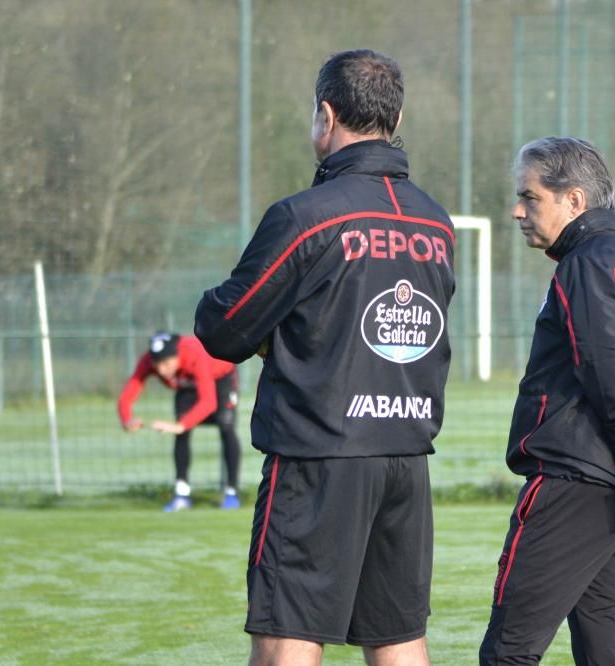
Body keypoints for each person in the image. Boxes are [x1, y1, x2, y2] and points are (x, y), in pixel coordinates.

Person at [195, 49, 455, 666]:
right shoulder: (437, 224)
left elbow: (225, 329)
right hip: (405, 458)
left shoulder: (305, 217)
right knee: (397, 636)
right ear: (395, 118)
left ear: (326, 115)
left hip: (320, 455)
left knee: (288, 631)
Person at [478, 137, 615, 665]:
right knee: (603, 651)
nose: (517, 211)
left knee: (509, 652)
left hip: (576, 487)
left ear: (574, 200)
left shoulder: (589, 263)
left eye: (530, 197)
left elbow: (611, 375)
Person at [117, 331, 242, 511]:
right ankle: (181, 494)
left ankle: (231, 492)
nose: (161, 370)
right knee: (181, 434)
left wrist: (179, 425)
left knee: (226, 426)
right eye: (157, 365)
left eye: (167, 364)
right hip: (187, 384)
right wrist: (127, 420)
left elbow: (208, 403)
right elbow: (128, 395)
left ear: (177, 356)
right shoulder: (148, 361)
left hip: (220, 377)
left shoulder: (194, 355)